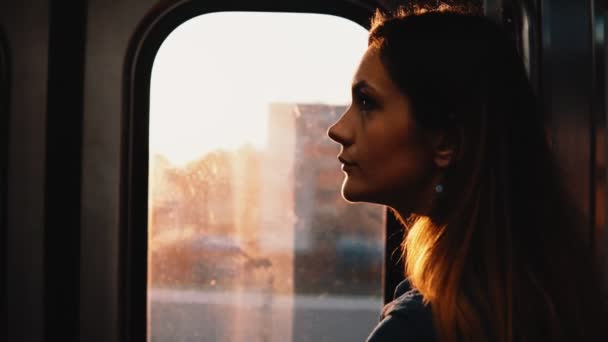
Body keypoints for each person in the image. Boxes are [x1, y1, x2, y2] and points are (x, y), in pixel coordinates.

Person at [327, 3, 608, 342]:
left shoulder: (422, 326)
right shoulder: (535, 291)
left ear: (446, 141)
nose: (338, 129)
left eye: (368, 104)